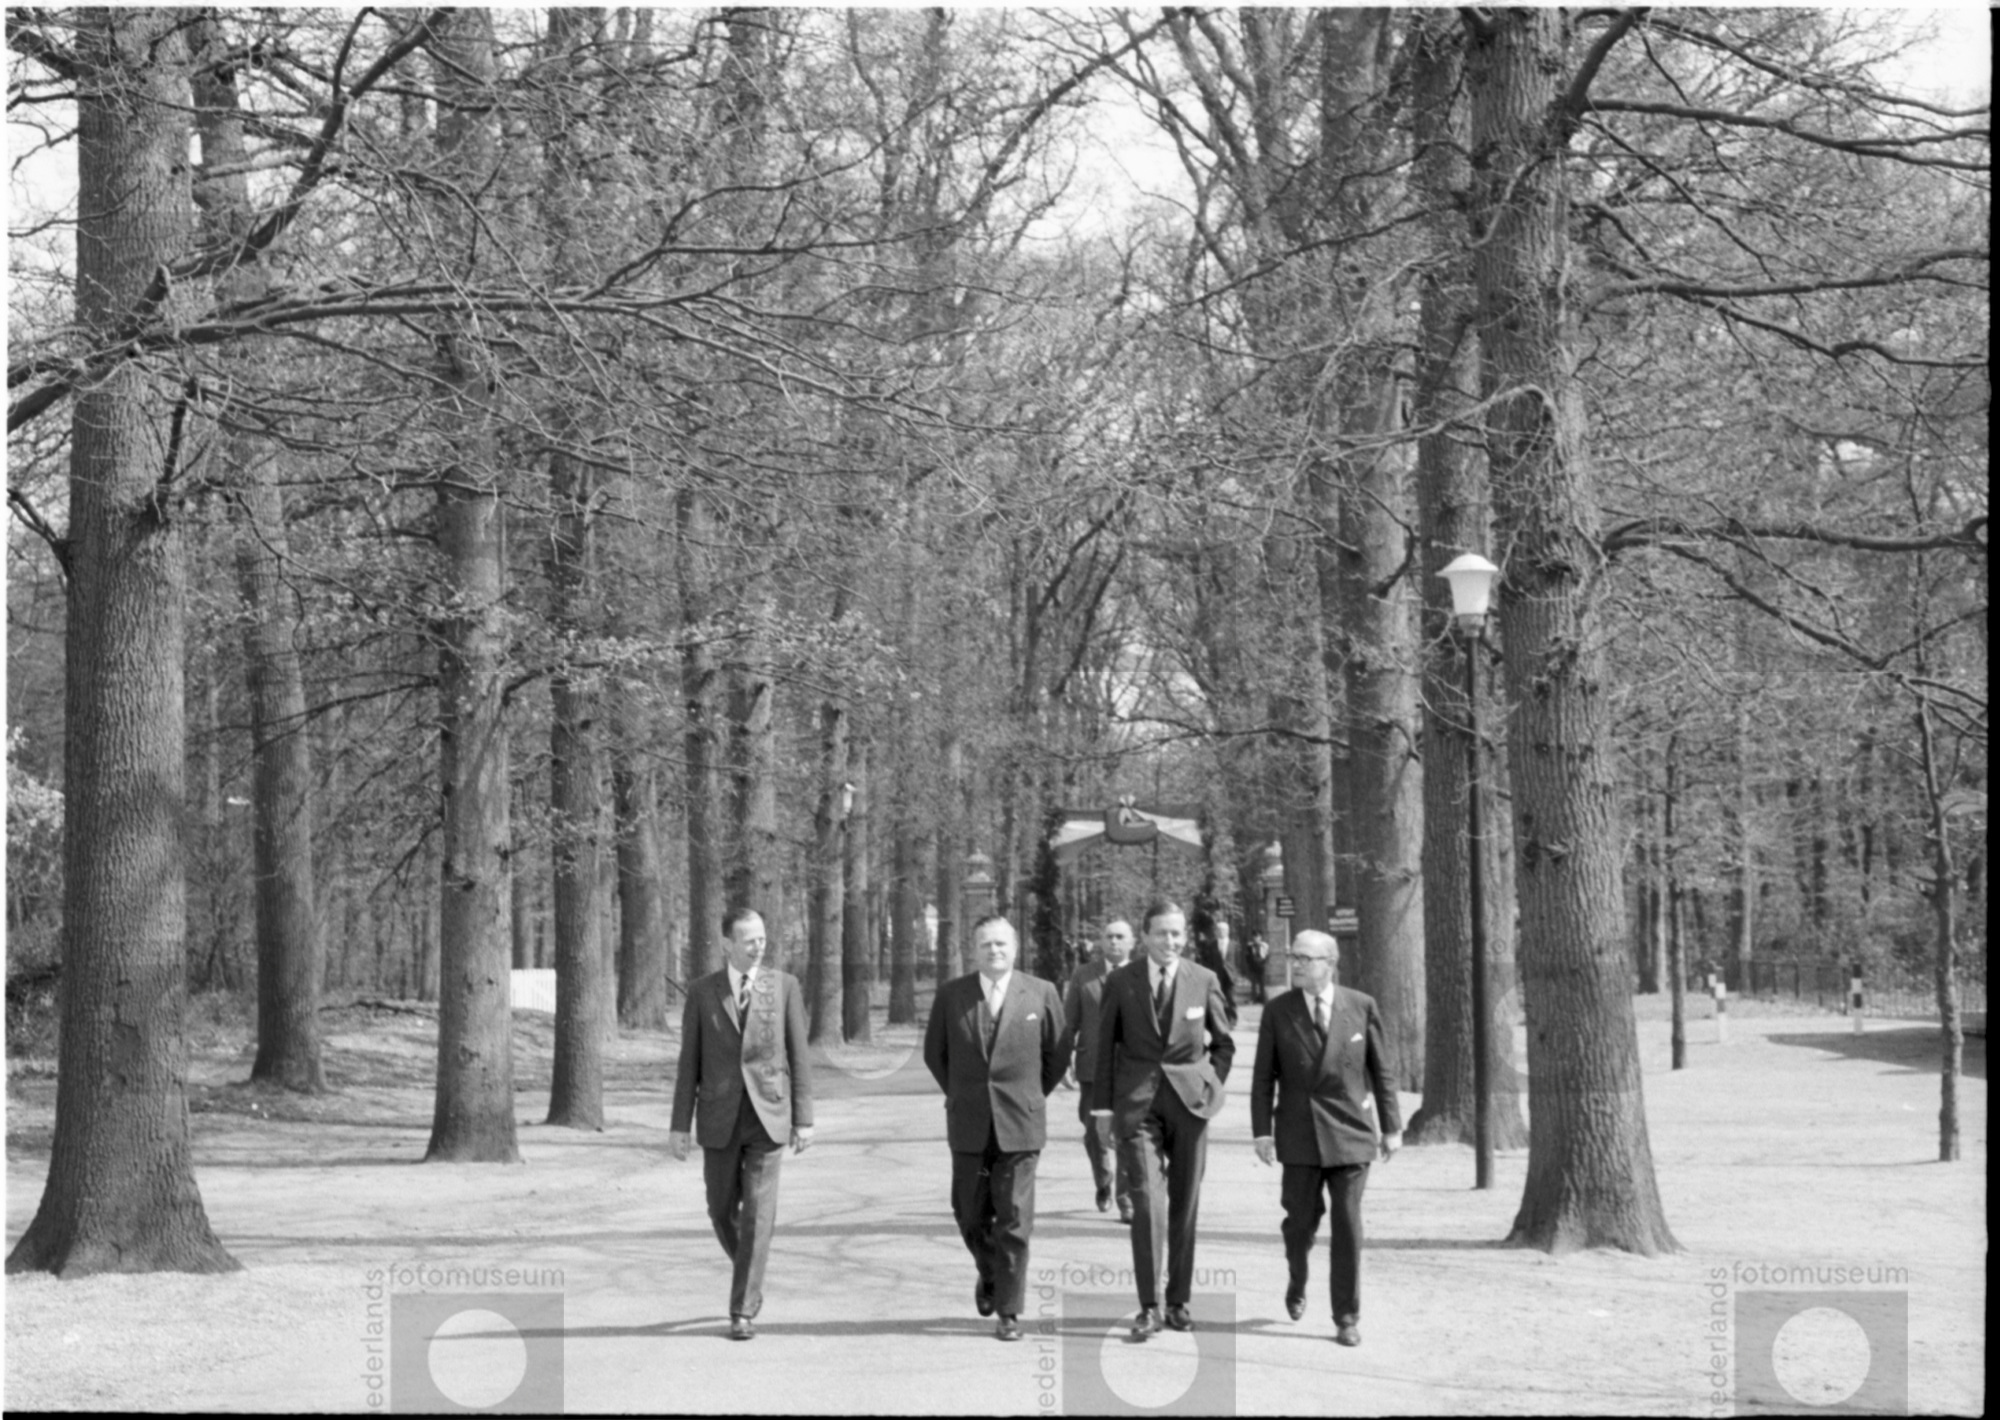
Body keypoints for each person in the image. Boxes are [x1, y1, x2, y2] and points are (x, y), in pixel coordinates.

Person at [923, 914, 1071, 1342]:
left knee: (1014, 1218)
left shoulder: (1041, 993)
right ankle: (990, 1272)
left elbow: (1058, 1054)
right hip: (969, 1123)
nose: (994, 951)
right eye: (986, 944)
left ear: (1015, 948)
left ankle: (1009, 1310)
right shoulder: (952, 995)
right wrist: (964, 1094)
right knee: (969, 1214)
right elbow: (935, 1054)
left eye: (1002, 943)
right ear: (974, 950)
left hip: (1020, 1123)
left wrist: (1030, 1095)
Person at [1091, 899, 1235, 1339]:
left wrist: (1209, 1085)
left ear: (1185, 936)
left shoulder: (1203, 979)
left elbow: (1223, 1044)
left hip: (1191, 1106)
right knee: (1148, 1203)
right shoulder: (1121, 982)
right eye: (1160, 933)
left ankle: (1178, 1302)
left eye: (1176, 934)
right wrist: (1103, 1110)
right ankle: (1149, 1306)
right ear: (1145, 936)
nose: (1169, 941)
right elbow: (1104, 1049)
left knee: (1185, 1203)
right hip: (1138, 1107)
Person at [1249, 929, 1401, 1348]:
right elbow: (1263, 1078)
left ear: (1330, 964)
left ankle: (1346, 1316)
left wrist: (1391, 1126)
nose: (1296, 965)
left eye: (1306, 958)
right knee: (1299, 1224)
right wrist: (1262, 1132)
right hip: (1299, 1133)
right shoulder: (1278, 1011)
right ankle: (1297, 1276)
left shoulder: (1361, 1005)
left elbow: (1382, 1070)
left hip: (1351, 1131)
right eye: (1293, 957)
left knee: (1347, 1224)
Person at [669, 907, 814, 1342]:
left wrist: (804, 1118)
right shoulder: (702, 992)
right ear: (726, 944)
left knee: (758, 1214)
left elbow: (799, 1056)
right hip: (719, 1116)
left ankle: (742, 1309)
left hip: (768, 1115)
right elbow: (688, 1063)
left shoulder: (784, 986)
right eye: (749, 940)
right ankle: (751, 1271)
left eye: (762, 939)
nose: (758, 946)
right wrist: (679, 1125)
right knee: (719, 1208)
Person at [1063, 918, 1135, 1222]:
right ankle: (1103, 1182)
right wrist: (1063, 1059)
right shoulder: (1084, 975)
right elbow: (1069, 1022)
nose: (1114, 942)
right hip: (1092, 1069)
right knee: (1094, 1134)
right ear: (1101, 941)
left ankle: (1126, 1198)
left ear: (1132, 942)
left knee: (1129, 1133)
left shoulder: (1142, 974)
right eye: (1109, 936)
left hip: (1132, 1069)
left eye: (1120, 936)